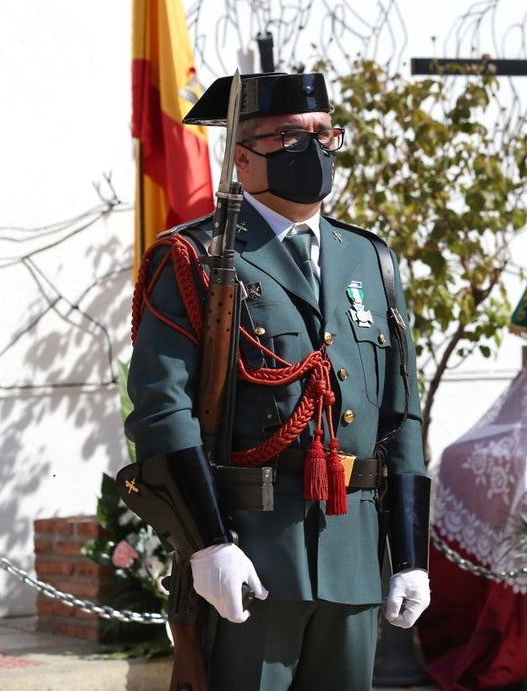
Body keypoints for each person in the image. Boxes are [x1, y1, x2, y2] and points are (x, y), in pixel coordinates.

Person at [124, 71, 431, 691]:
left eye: (325, 134)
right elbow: (163, 409)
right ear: (242, 156)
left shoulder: (370, 260)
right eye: (289, 137)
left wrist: (409, 557)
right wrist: (209, 544)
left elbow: (401, 417)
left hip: (352, 553)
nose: (313, 150)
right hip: (251, 553)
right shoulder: (198, 257)